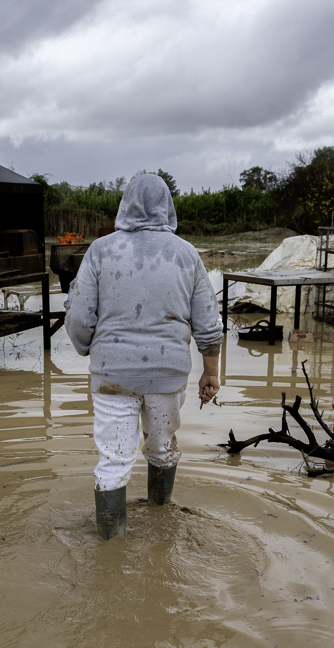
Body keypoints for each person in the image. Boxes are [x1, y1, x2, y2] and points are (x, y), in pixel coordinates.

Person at [64, 173, 223, 540]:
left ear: (125, 205)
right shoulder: (187, 254)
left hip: (112, 376)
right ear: (168, 207)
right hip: (168, 375)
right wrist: (210, 372)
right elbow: (208, 324)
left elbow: (78, 317)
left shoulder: (100, 251)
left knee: (113, 462)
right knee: (162, 448)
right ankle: (160, 519)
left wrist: (90, 349)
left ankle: (111, 548)